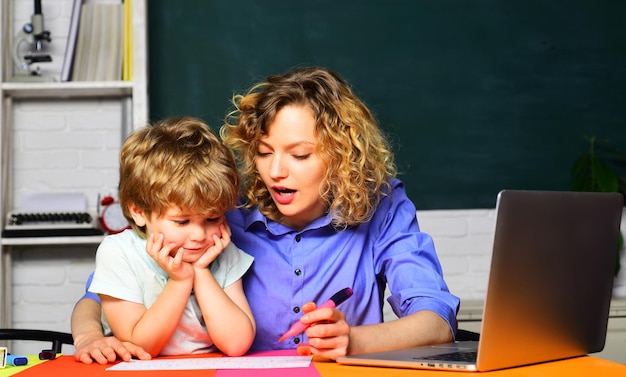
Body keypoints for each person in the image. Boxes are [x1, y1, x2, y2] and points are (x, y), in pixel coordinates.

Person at [71, 66, 459, 363]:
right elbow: (99, 294)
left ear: (342, 156)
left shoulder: (383, 206)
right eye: (263, 151)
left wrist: (354, 340)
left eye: (300, 155)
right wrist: (90, 336)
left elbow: (436, 322)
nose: (275, 171)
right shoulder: (220, 212)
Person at [84, 116, 255, 360]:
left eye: (212, 218)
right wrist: (180, 281)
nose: (199, 236)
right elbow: (140, 347)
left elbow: (236, 344)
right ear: (138, 211)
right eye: (182, 222)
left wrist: (201, 272)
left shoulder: (222, 252)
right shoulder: (119, 253)